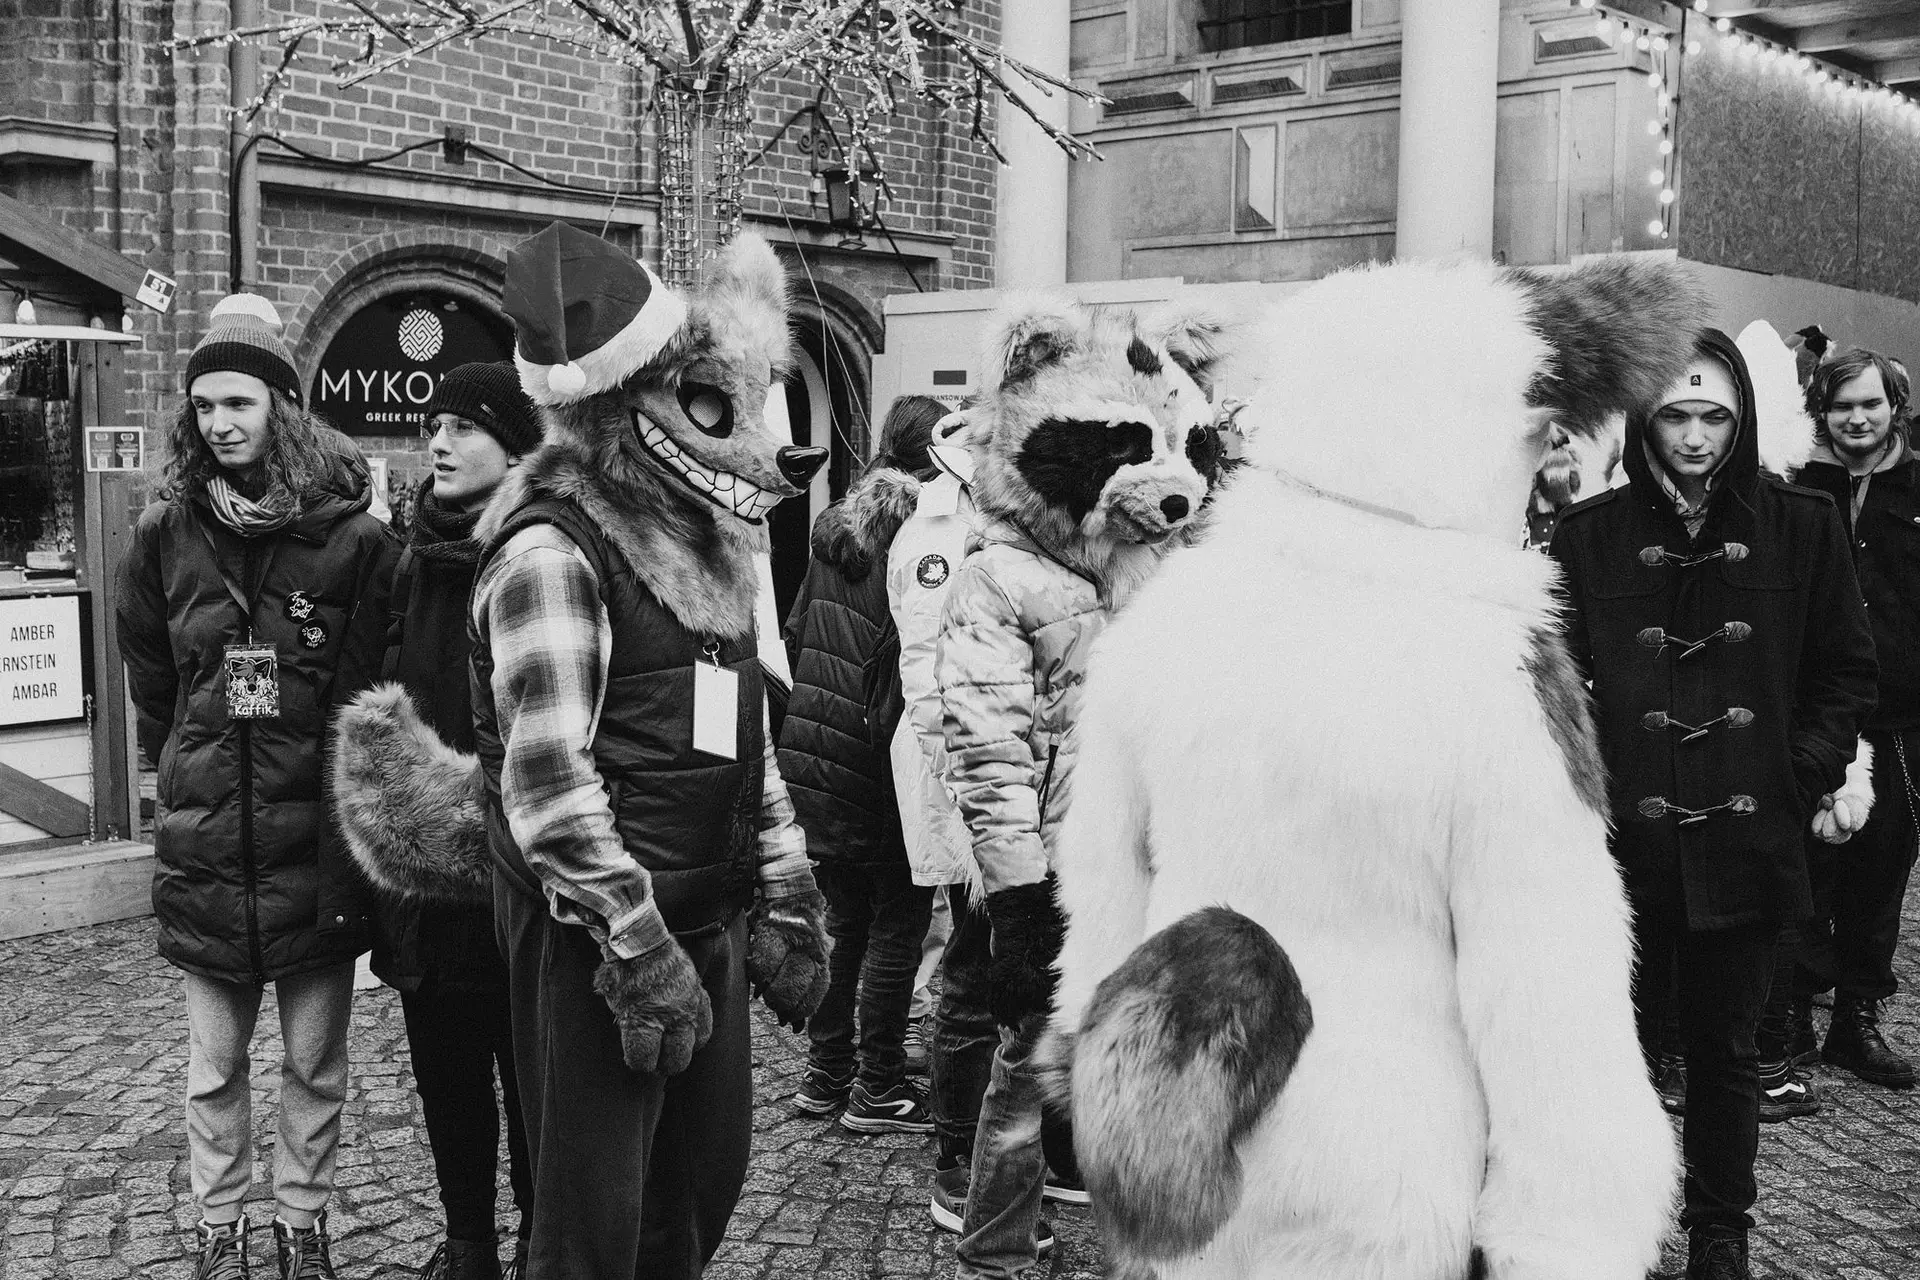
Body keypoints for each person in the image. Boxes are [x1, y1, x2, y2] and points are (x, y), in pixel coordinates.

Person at [1550, 330, 1877, 1280]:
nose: (1695, 437)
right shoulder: (1589, 535)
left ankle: (1720, 1232)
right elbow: (1557, 684)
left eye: (1715, 417)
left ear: (1744, 419)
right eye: (1675, 416)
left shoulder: (1802, 523)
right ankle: (1617, 1226)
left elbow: (1844, 671)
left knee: (1728, 1050)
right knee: (1618, 1052)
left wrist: (1795, 776)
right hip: (1627, 844)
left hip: (1749, 836)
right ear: (1643, 422)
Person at [116, 294, 398, 1280]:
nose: (219, 423)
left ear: (283, 404)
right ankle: (218, 1221)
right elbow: (153, 678)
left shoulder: (353, 540)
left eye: (238, 401)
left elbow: (370, 692)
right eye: (203, 406)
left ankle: (301, 1220)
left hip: (313, 844)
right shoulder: (165, 533)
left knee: (315, 1061)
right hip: (206, 839)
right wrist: (180, 775)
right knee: (215, 1063)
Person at [369, 363, 543, 1279]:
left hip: (522, 868)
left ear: (516, 447)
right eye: (433, 424)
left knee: (533, 1076)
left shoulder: (538, 551)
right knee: (446, 1074)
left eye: (463, 426)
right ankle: (468, 1242)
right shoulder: (407, 559)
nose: (438, 441)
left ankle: (541, 1242)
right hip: (428, 876)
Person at [781, 398, 943, 1132]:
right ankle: (878, 1084)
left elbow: (796, 631)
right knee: (897, 924)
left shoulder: (833, 528)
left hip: (813, 752)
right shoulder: (923, 539)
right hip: (879, 758)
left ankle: (826, 1075)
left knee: (844, 921)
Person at [1787, 348, 1917, 1090]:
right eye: (1841, 406)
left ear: (1895, 406)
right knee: (1806, 865)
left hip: (1901, 719)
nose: (1857, 418)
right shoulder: (1797, 486)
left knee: (1880, 874)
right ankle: (1793, 1014)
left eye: (1871, 403)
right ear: (1821, 411)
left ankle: (1856, 1020)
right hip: (1814, 711)